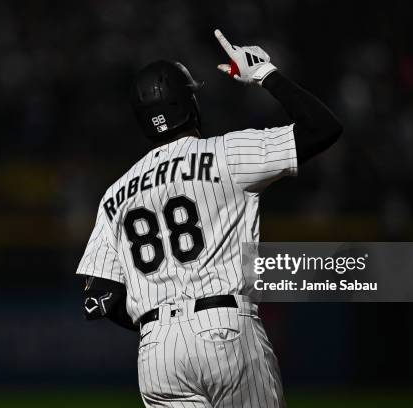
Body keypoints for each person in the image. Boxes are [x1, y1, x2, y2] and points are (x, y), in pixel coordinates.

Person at [76, 29, 342, 407]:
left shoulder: (115, 195)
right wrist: (266, 74)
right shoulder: (226, 154)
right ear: (191, 106)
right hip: (225, 328)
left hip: (157, 350)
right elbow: (323, 128)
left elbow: (101, 295)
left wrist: (158, 319)